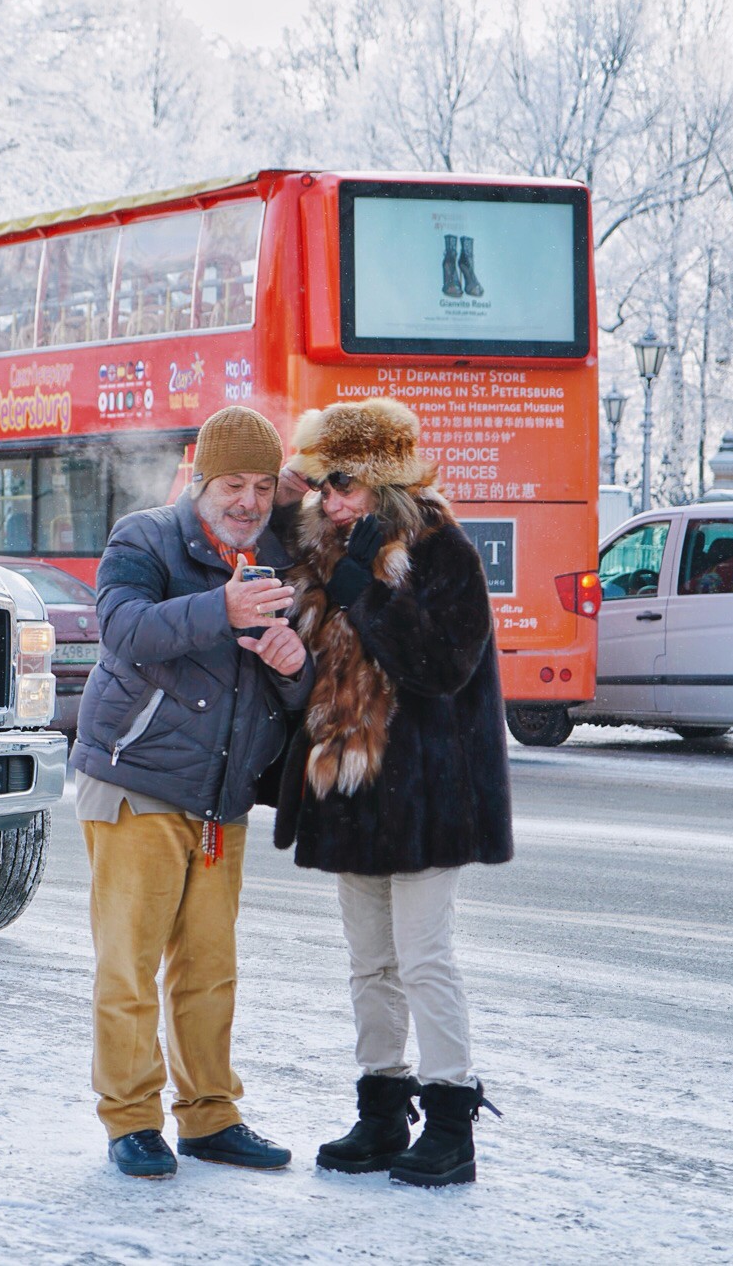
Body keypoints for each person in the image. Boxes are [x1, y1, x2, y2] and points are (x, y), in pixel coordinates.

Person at [69, 405, 312, 1180]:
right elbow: (124, 631)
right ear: (200, 481)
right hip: (136, 784)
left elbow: (304, 694)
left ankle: (210, 1117)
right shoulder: (145, 538)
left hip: (220, 799)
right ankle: (132, 1120)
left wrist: (293, 665)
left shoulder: (277, 559)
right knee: (130, 966)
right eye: (233, 484)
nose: (248, 501)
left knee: (210, 969)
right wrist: (222, 609)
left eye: (263, 487)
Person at [274, 397, 511, 1188]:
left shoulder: (444, 552)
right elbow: (247, 507)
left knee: (424, 957)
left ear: (384, 480)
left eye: (342, 483)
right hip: (350, 789)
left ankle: (450, 1121)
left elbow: (442, 668)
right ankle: (381, 1112)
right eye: (322, 483)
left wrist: (361, 591)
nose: (328, 499)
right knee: (369, 962)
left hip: (427, 792)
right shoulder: (322, 542)